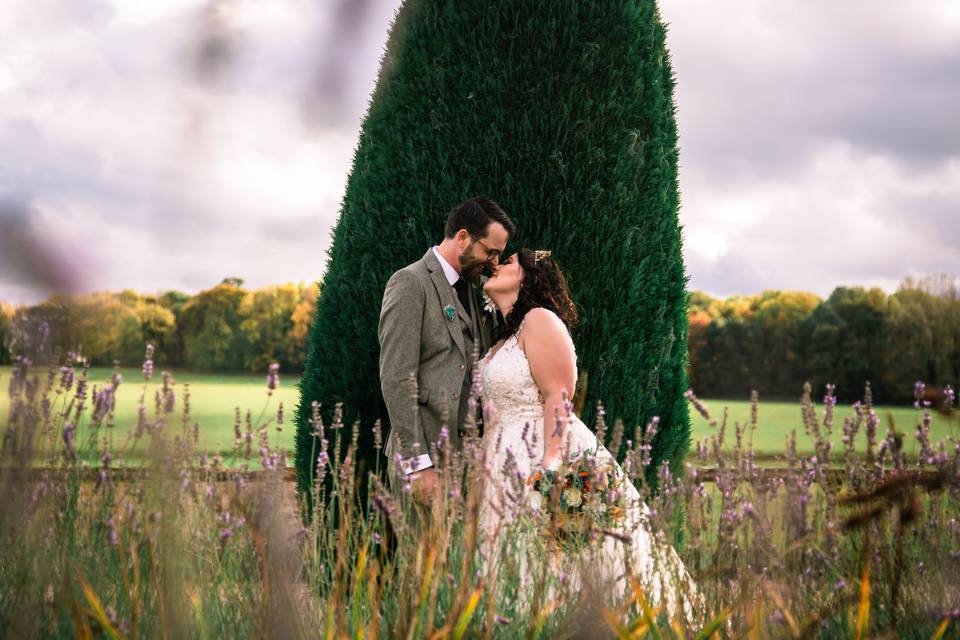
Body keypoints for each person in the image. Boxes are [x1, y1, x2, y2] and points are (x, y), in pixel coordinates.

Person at [478, 248, 699, 620]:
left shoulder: (539, 320)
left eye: (509, 262)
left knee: (554, 562)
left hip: (538, 456)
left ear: (530, 277)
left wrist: (549, 468)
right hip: (501, 459)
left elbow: (558, 398)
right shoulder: (508, 334)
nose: (496, 266)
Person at [378, 196, 515, 501]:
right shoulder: (410, 283)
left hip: (470, 460)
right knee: (422, 551)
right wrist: (418, 463)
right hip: (425, 459)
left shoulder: (476, 290)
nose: (494, 263)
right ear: (463, 237)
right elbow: (397, 377)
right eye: (490, 252)